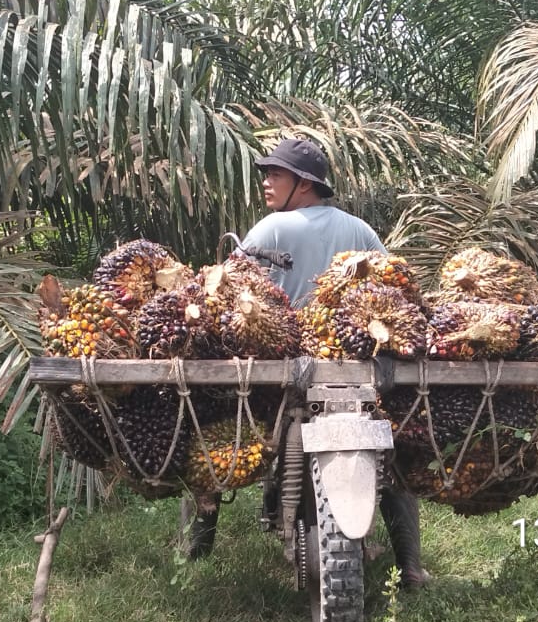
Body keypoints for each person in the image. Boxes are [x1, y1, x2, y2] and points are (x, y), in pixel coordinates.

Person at [181, 137, 430, 589]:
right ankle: (410, 565)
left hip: (281, 372)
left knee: (212, 426)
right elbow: (396, 292)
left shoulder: (272, 230)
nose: (266, 182)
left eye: (275, 174)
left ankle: (197, 545)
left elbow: (225, 297)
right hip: (357, 369)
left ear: (305, 183)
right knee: (389, 455)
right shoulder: (363, 232)